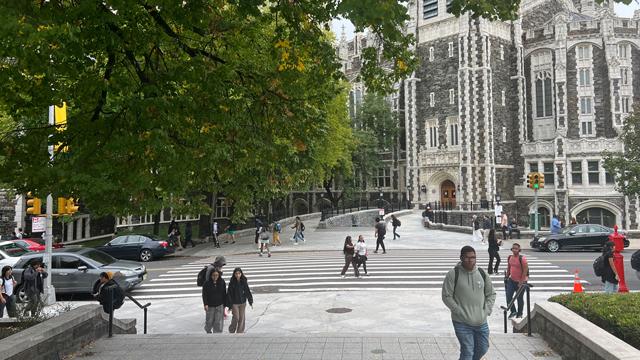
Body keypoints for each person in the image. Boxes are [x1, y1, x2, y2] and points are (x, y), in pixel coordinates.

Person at [442, 246, 496, 360]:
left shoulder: (482, 273)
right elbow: (446, 296)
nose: (470, 260)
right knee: (467, 351)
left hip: (481, 322)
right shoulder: (453, 274)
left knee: (483, 348)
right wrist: (458, 310)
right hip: (461, 322)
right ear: (461, 258)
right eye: (467, 257)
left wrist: (487, 310)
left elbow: (491, 294)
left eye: (473, 257)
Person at [505, 243, 529, 319]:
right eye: (513, 248)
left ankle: (519, 314)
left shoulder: (522, 259)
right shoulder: (510, 258)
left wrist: (521, 282)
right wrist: (506, 277)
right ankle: (513, 311)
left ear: (519, 250)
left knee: (519, 298)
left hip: (521, 282)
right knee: (508, 296)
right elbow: (509, 268)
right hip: (511, 280)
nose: (514, 250)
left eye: (516, 248)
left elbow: (525, 271)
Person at [227, 268, 253, 334]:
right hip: (234, 303)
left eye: (239, 273)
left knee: (242, 318)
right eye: (236, 274)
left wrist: (250, 300)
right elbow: (229, 294)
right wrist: (230, 305)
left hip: (242, 302)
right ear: (234, 274)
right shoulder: (232, 282)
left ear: (241, 274)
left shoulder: (244, 281)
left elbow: (247, 291)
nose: (238, 275)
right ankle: (231, 330)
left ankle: (240, 332)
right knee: (236, 317)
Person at [203, 269, 227, 333]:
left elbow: (224, 293)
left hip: (220, 305)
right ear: (211, 275)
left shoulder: (222, 282)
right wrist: (205, 304)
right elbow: (204, 294)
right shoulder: (206, 283)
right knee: (209, 321)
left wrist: (225, 304)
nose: (215, 277)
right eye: (213, 275)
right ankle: (208, 330)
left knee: (218, 321)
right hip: (210, 306)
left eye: (217, 275)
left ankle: (217, 334)